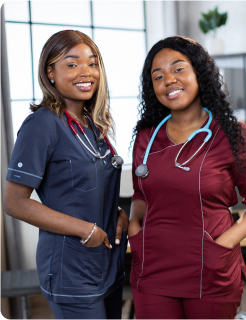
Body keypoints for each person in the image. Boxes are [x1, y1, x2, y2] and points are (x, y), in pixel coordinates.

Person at [128, 36, 246, 320]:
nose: (168, 79)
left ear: (199, 73)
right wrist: (135, 226)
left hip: (211, 269)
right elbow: (141, 194)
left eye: (178, 69)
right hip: (153, 267)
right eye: (158, 76)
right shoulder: (147, 137)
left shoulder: (234, 136)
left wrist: (226, 242)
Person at [4, 30, 128, 320]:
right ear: (50, 72)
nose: (86, 72)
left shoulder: (93, 123)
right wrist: (87, 230)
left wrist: (118, 211)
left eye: (93, 63)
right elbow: (15, 203)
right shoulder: (41, 124)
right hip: (71, 267)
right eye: (72, 64)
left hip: (107, 262)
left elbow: (85, 187)